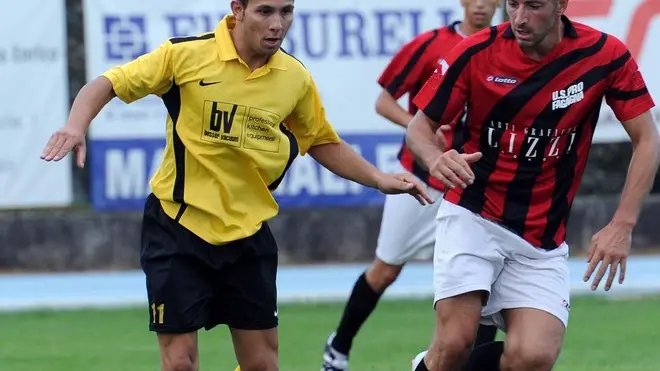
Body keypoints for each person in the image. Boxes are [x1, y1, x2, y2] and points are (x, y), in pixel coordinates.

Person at [39, 1, 433, 371]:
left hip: (247, 235)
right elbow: (107, 83)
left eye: (286, 11)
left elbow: (321, 141)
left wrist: (379, 179)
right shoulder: (185, 56)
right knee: (180, 363)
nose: (277, 24)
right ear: (238, 9)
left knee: (262, 364)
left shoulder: (294, 78)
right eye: (265, 11)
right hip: (178, 228)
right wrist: (76, 125)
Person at [405, 0, 660, 370]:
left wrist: (622, 224)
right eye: (513, 4)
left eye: (534, 6)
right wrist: (435, 158)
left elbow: (647, 139)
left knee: (533, 357)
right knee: (454, 344)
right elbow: (420, 128)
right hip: (473, 216)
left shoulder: (604, 55)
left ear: (561, 5)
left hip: (541, 237)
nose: (519, 18)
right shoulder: (477, 50)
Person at [321, 1, 501, 370]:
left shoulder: (507, 51)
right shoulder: (431, 44)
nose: (482, 4)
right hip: (421, 181)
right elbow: (384, 101)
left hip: (474, 190)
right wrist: (420, 124)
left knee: (482, 285)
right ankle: (338, 347)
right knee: (386, 269)